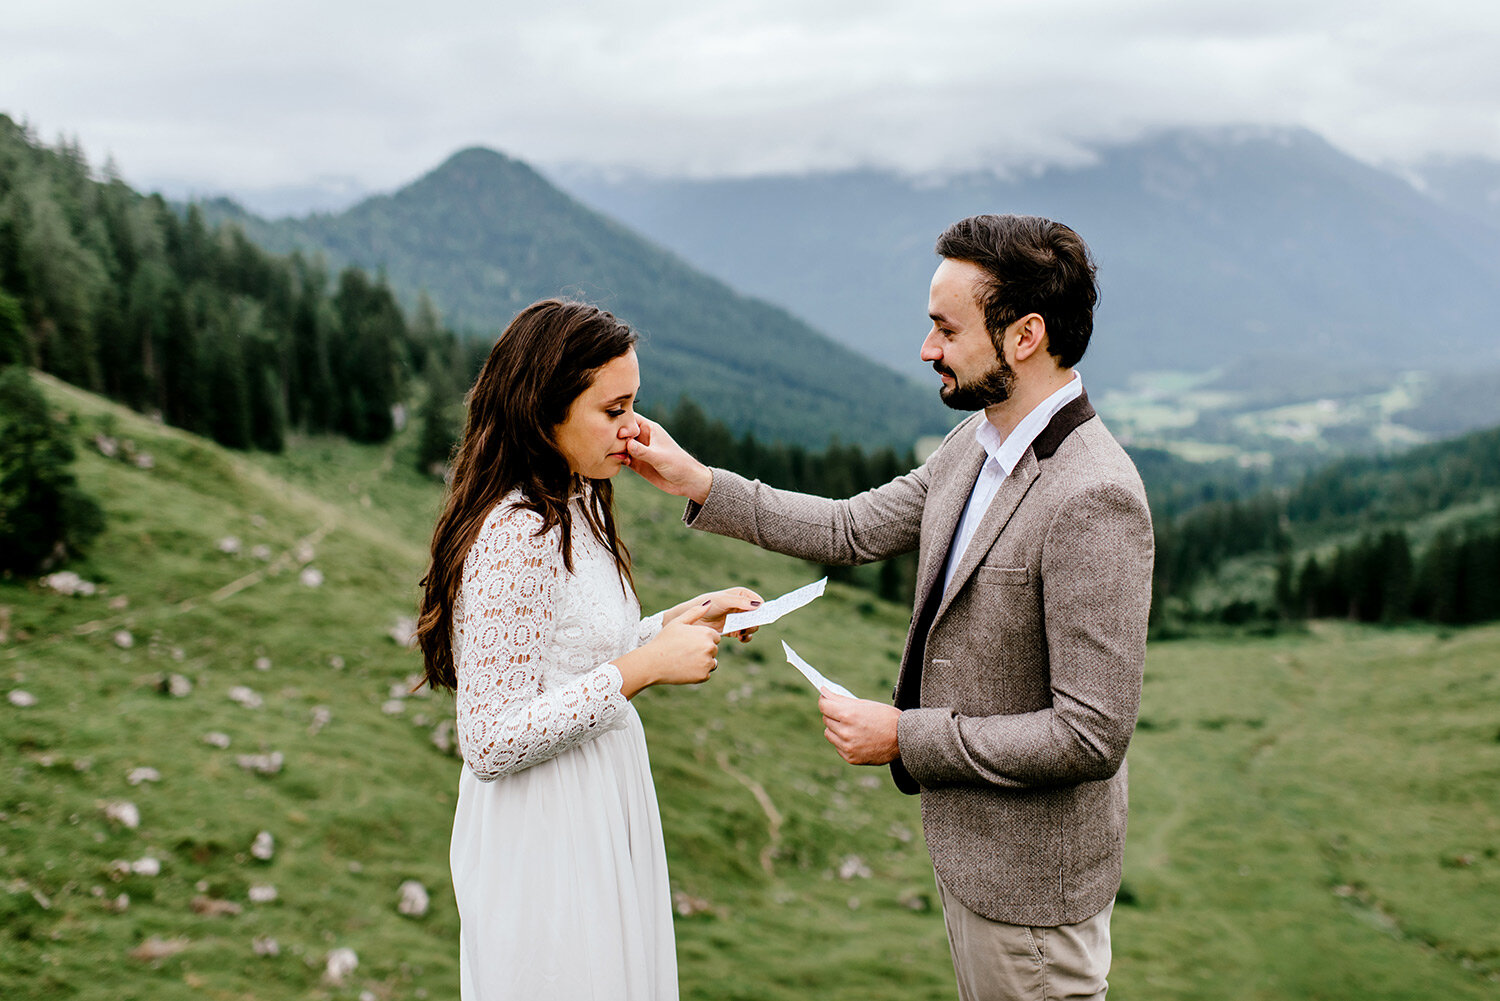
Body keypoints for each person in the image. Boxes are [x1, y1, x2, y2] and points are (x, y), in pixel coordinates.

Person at [625, 215, 1154, 1001]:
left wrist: (903, 735)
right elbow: (849, 526)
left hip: (1034, 897)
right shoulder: (976, 444)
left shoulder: (1093, 494)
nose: (926, 348)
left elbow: (1090, 734)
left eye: (946, 327)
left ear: (1025, 336)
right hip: (977, 866)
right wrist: (699, 482)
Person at [415, 298, 762, 1001]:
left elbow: (573, 651)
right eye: (615, 409)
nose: (635, 428)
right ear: (546, 409)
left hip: (596, 801)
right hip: (546, 831)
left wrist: (684, 620)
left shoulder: (575, 498)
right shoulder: (517, 529)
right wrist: (644, 668)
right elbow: (488, 738)